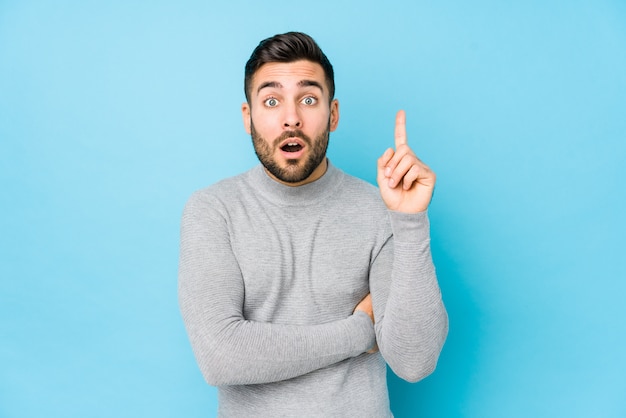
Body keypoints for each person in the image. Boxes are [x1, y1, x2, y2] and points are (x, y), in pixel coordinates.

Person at [178, 31, 448, 417]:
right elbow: (220, 355)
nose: (291, 118)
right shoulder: (212, 210)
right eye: (271, 101)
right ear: (248, 117)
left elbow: (414, 361)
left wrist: (410, 220)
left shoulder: (378, 210)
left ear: (332, 115)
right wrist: (359, 330)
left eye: (308, 99)